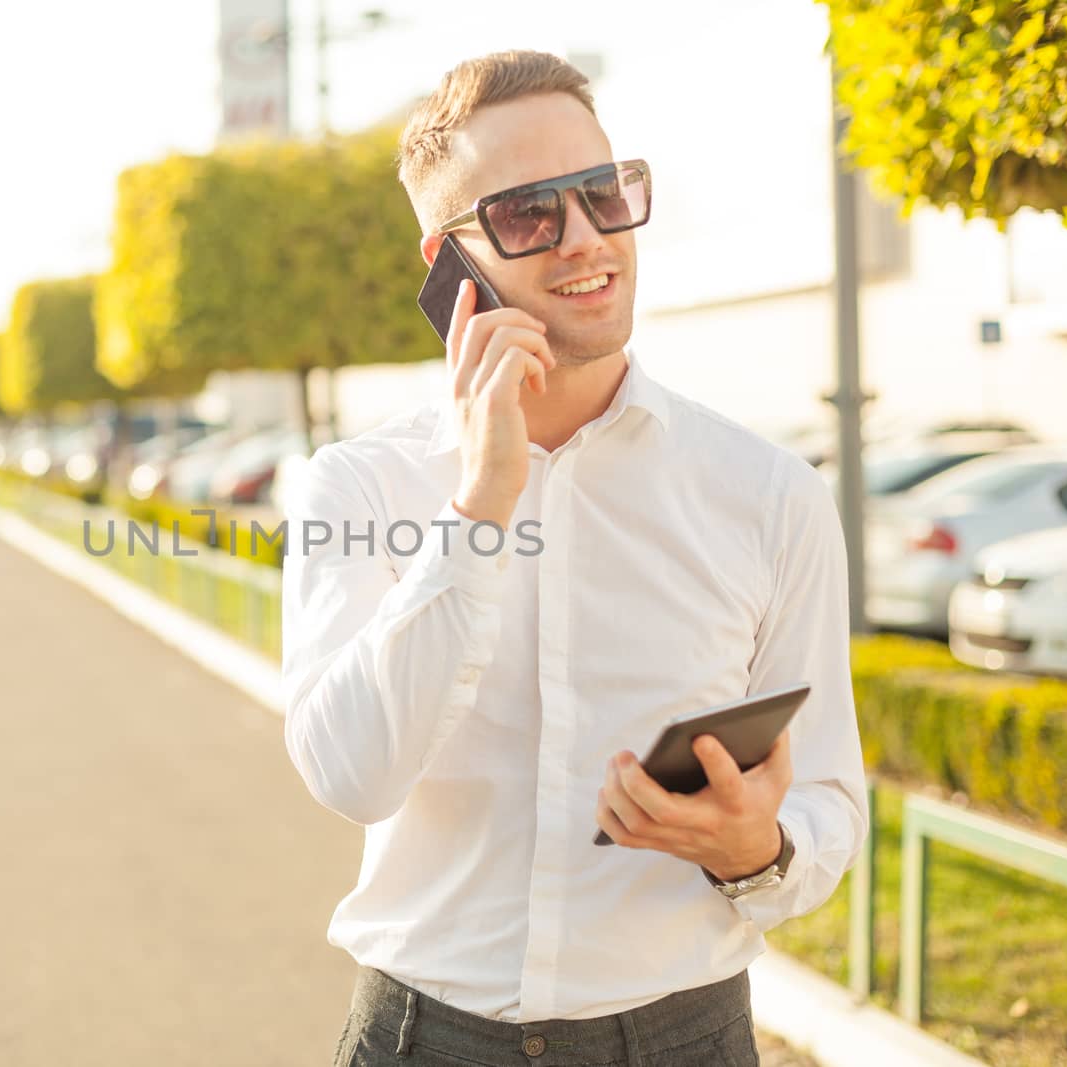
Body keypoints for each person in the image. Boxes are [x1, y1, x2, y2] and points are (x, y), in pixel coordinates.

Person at [280, 50, 868, 1066]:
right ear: (447, 259)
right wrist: (480, 505)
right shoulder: (358, 487)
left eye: (603, 195)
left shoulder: (768, 493)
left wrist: (753, 850)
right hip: (424, 1036)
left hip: (686, 1033)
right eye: (527, 215)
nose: (585, 240)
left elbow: (826, 798)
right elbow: (351, 772)